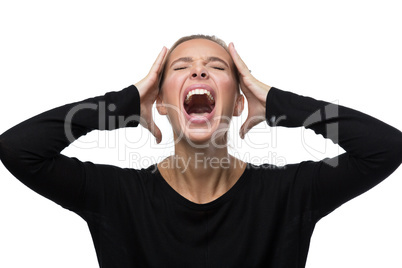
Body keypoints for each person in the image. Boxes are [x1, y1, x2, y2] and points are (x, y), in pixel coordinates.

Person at [0, 34, 401, 267]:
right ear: (159, 102)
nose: (198, 71)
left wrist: (278, 102)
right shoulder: (115, 197)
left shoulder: (289, 193)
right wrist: (125, 101)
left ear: (240, 103)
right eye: (181, 67)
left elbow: (386, 148)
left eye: (217, 67)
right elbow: (19, 149)